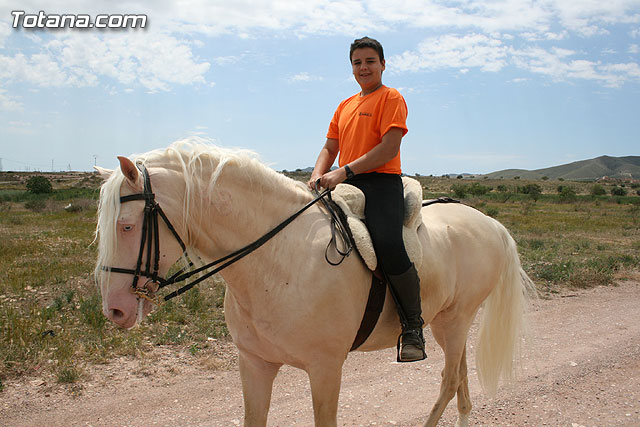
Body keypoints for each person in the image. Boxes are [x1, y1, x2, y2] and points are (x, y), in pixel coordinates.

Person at [307, 36, 426, 362]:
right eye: (357, 63)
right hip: (344, 180)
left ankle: (412, 328)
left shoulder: (391, 97)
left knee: (388, 243)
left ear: (383, 64)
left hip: (380, 182)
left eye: (370, 61)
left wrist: (343, 171)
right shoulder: (344, 105)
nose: (364, 68)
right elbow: (330, 146)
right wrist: (317, 174)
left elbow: (389, 148)